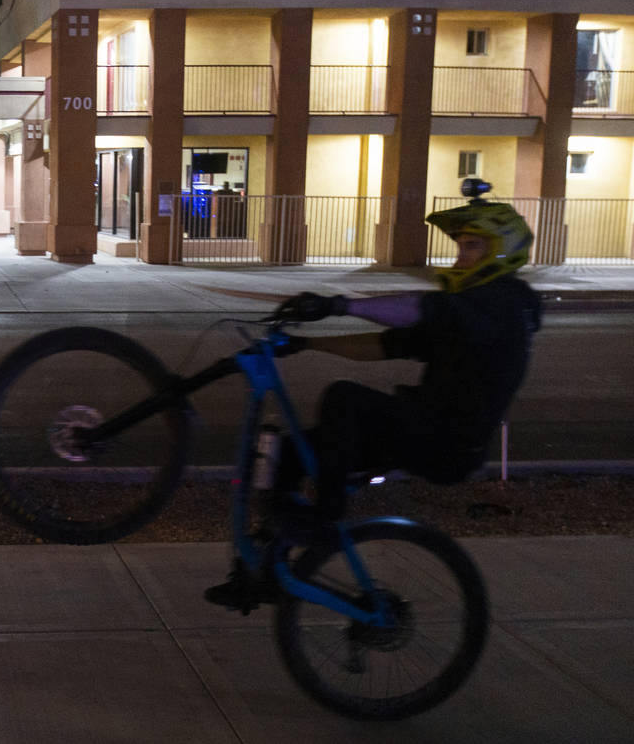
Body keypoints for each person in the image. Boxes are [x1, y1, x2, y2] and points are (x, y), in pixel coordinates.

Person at [206, 178, 541, 605]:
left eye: (472, 246)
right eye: (461, 246)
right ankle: (264, 569)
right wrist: (307, 343)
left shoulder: (502, 306)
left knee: (344, 398)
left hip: (448, 443)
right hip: (418, 428)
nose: (460, 256)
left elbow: (418, 310)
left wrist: (339, 304)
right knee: (289, 453)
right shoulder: (472, 312)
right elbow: (383, 345)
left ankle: (324, 520)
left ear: (500, 251)